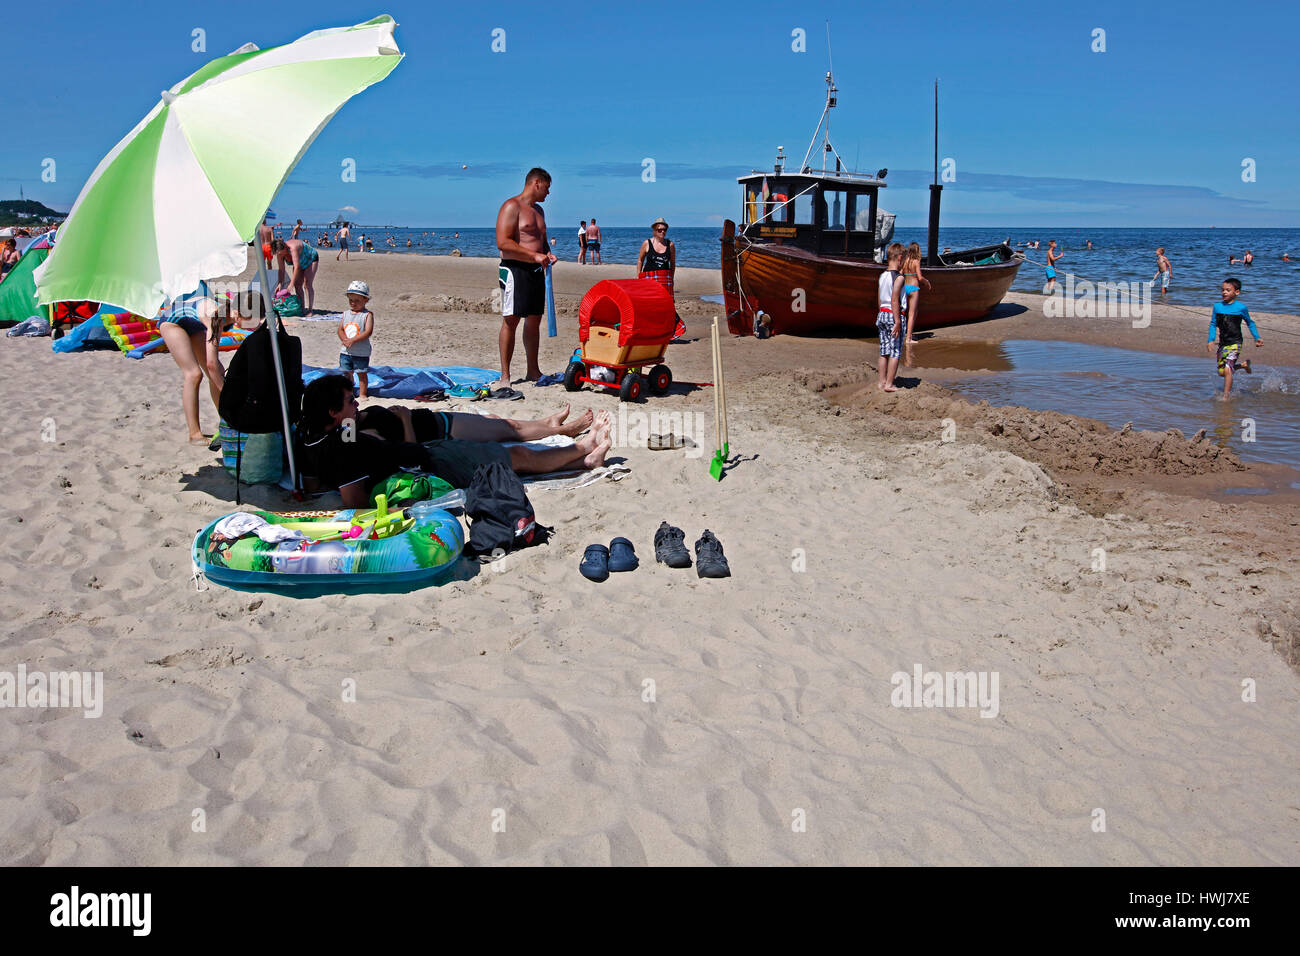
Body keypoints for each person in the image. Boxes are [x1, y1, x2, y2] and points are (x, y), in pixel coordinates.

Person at [298, 375, 611, 508]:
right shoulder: (342, 446)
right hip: (429, 461)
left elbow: (314, 485)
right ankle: (583, 449)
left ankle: (584, 457)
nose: (357, 404)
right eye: (351, 401)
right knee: (514, 456)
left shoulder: (316, 438)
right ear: (333, 412)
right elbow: (355, 503)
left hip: (428, 450)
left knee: (512, 450)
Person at [494, 167, 556, 387]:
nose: (548, 193)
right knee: (511, 320)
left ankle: (533, 371)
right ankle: (505, 376)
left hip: (536, 270)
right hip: (514, 269)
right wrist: (534, 255)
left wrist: (547, 253)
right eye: (547, 188)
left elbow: (541, 239)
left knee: (534, 320)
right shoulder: (512, 206)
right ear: (536, 183)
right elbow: (503, 242)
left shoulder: (539, 211)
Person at [157, 293, 243, 444]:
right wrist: (228, 393)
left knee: (218, 372)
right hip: (172, 322)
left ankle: (226, 421)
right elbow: (211, 363)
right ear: (237, 314)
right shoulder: (215, 317)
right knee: (194, 374)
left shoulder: (225, 314)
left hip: (192, 323)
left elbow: (214, 366)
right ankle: (194, 434)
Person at [1207, 277, 1262, 398]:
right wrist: (1211, 340)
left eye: (1228, 290)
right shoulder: (1217, 307)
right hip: (1223, 343)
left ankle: (1226, 396)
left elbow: (1250, 323)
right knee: (1222, 372)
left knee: (1227, 370)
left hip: (1235, 342)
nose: (1224, 292)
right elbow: (1213, 324)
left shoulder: (1241, 308)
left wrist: (1256, 337)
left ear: (1237, 292)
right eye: (1222, 290)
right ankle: (1243, 365)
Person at [637, 217, 684, 338]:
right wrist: (639, 276)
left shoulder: (670, 245)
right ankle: (649, 331)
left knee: (666, 307)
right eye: (659, 230)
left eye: (664, 230)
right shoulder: (647, 243)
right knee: (649, 306)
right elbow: (640, 260)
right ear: (654, 230)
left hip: (664, 280)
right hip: (648, 280)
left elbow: (672, 263)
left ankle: (667, 332)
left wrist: (671, 278)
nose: (662, 232)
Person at [339, 280, 375, 400]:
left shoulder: (367, 315)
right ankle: (349, 392)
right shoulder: (346, 314)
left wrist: (353, 340)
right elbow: (340, 329)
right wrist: (344, 339)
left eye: (357, 301)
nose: (353, 303)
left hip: (361, 352)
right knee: (347, 373)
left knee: (361, 373)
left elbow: (368, 332)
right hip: (346, 351)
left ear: (366, 300)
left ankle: (363, 394)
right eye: (351, 300)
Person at [876, 242, 904, 392]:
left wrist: (880, 312)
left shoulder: (882, 276)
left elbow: (880, 298)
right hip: (893, 314)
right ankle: (889, 384)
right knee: (895, 351)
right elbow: (895, 299)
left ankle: (881, 382)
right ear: (899, 258)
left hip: (882, 313)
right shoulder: (898, 278)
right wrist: (898, 321)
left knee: (884, 350)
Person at [271, 237, 319, 314]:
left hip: (311, 258)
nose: (279, 255)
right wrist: (280, 283)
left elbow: (297, 267)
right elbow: (281, 269)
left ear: (284, 248)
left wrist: (291, 284)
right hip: (300, 262)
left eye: (280, 253)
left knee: (307, 284)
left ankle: (310, 310)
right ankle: (302, 309)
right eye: (277, 253)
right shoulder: (279, 254)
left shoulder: (293, 248)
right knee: (297, 285)